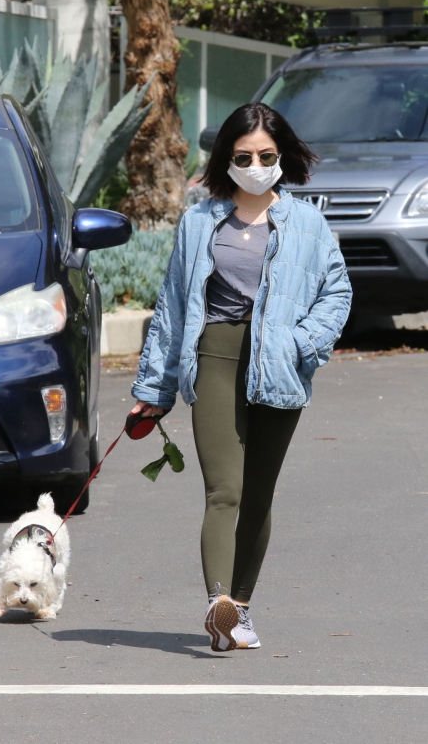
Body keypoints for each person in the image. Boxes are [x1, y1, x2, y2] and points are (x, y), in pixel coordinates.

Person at [130, 103, 352, 652]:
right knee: (223, 490)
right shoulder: (200, 221)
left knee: (259, 493)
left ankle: (242, 610)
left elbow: (337, 293)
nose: (255, 164)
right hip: (215, 357)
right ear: (226, 159)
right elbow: (173, 308)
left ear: (283, 157)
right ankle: (218, 602)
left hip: (280, 363)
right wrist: (152, 393)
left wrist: (301, 344)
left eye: (266, 156)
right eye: (243, 156)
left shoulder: (307, 223)